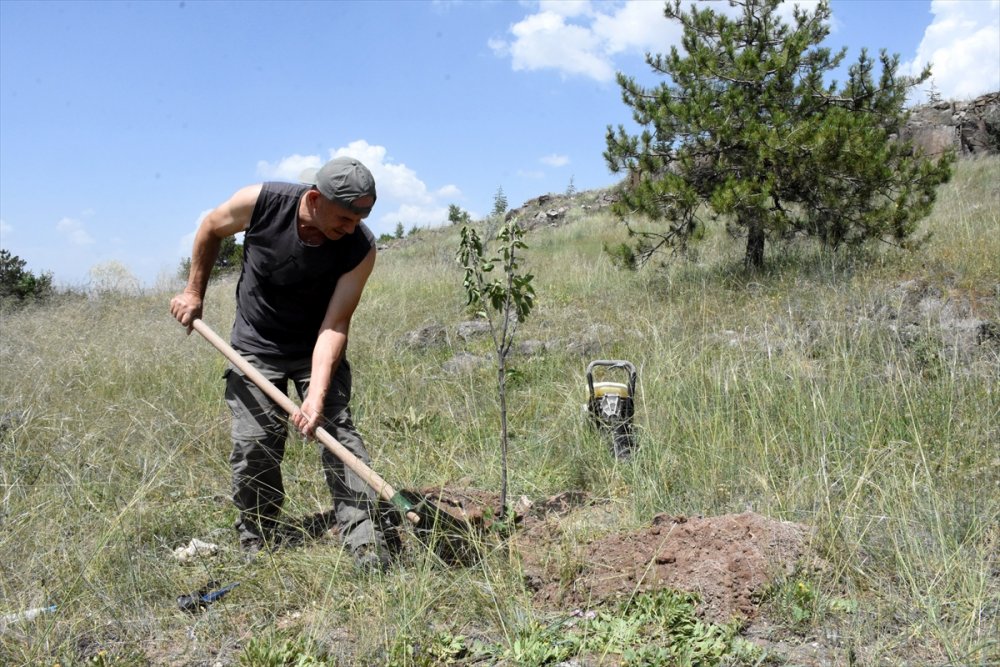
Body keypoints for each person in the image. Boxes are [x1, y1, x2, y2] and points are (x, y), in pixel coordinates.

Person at [170, 156, 394, 569]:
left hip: (315, 346)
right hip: (255, 344)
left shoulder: (360, 248)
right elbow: (210, 227)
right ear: (315, 198)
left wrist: (316, 397)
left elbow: (335, 325)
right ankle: (258, 539)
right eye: (345, 218)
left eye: (360, 219)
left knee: (339, 435)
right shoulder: (262, 203)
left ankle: (364, 541)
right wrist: (193, 292)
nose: (352, 228)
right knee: (256, 442)